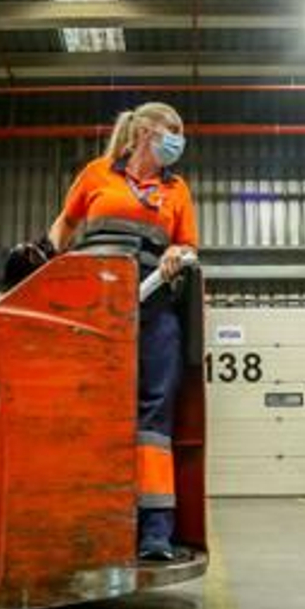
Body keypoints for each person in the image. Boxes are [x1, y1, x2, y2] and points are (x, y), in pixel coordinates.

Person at [46, 102, 197, 561]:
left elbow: (189, 243)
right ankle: (88, 519)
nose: (179, 141)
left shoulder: (176, 189)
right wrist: (45, 268)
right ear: (147, 132)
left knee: (153, 417)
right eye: (174, 131)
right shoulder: (97, 174)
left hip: (154, 307)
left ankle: (154, 530)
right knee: (87, 410)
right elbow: (65, 226)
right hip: (93, 307)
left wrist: (178, 253)